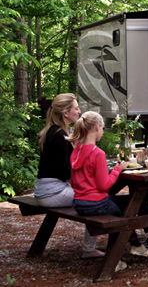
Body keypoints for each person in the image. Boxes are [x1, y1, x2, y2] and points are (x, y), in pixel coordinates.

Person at [66, 111, 148, 272]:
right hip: (95, 204)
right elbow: (104, 186)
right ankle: (114, 259)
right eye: (103, 128)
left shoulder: (76, 150)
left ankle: (136, 244)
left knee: (129, 203)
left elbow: (76, 181)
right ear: (97, 127)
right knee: (121, 215)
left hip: (79, 202)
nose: (103, 131)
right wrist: (118, 170)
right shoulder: (97, 153)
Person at [34, 93, 104, 259]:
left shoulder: (54, 131)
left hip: (47, 189)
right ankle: (89, 249)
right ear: (65, 113)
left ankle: (90, 247)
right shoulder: (59, 136)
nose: (79, 112)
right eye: (76, 108)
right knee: (94, 199)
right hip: (52, 192)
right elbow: (67, 172)